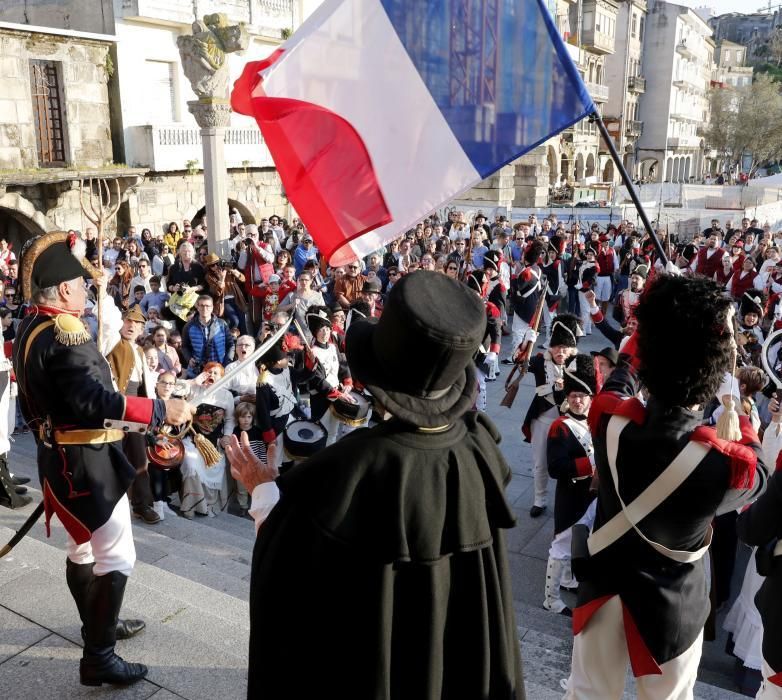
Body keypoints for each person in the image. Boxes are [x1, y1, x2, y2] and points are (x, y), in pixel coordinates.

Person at [226, 270, 524, 699]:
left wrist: (262, 488)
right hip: (458, 669)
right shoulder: (480, 446)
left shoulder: (350, 467)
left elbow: (291, 573)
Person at [563, 273, 768, 700]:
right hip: (672, 604)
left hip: (602, 585)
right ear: (709, 371)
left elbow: (621, 380)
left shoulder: (610, 423)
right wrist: (740, 414)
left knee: (587, 694)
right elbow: (759, 476)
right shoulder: (722, 465)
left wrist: (646, 336)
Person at [12, 231, 192, 686]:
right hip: (88, 463)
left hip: (58, 460)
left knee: (83, 548)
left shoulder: (30, 324)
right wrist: (156, 410)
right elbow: (93, 401)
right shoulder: (66, 332)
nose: (86, 292)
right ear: (66, 289)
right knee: (117, 556)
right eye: (81, 284)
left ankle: (99, 627)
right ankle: (99, 655)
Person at [544, 354, 597, 616]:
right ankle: (551, 599)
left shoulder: (595, 423)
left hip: (590, 496)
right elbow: (555, 468)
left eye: (583, 395)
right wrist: (589, 467)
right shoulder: (559, 427)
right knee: (561, 546)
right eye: (574, 395)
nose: (578, 400)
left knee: (581, 541)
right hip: (570, 495)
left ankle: (570, 581)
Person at [522, 314, 581, 517]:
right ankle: (540, 500)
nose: (560, 351)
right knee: (540, 463)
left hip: (568, 423)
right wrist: (526, 340)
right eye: (556, 346)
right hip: (542, 420)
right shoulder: (540, 362)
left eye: (564, 347)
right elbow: (518, 361)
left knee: (568, 463)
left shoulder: (578, 366)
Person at [106, 306, 160, 524]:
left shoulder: (139, 350)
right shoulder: (112, 343)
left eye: (135, 324)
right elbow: (107, 325)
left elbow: (144, 385)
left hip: (135, 407)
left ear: (141, 329)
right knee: (111, 457)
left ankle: (142, 505)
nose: (130, 326)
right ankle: (108, 503)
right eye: (127, 321)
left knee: (139, 459)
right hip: (116, 406)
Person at [181, 295, 235, 378]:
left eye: (207, 306)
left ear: (212, 307)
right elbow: (184, 346)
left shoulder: (222, 324)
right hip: (198, 370)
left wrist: (227, 362)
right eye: (202, 305)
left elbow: (231, 344)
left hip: (218, 368)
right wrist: (189, 358)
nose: (204, 308)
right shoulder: (188, 326)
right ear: (197, 307)